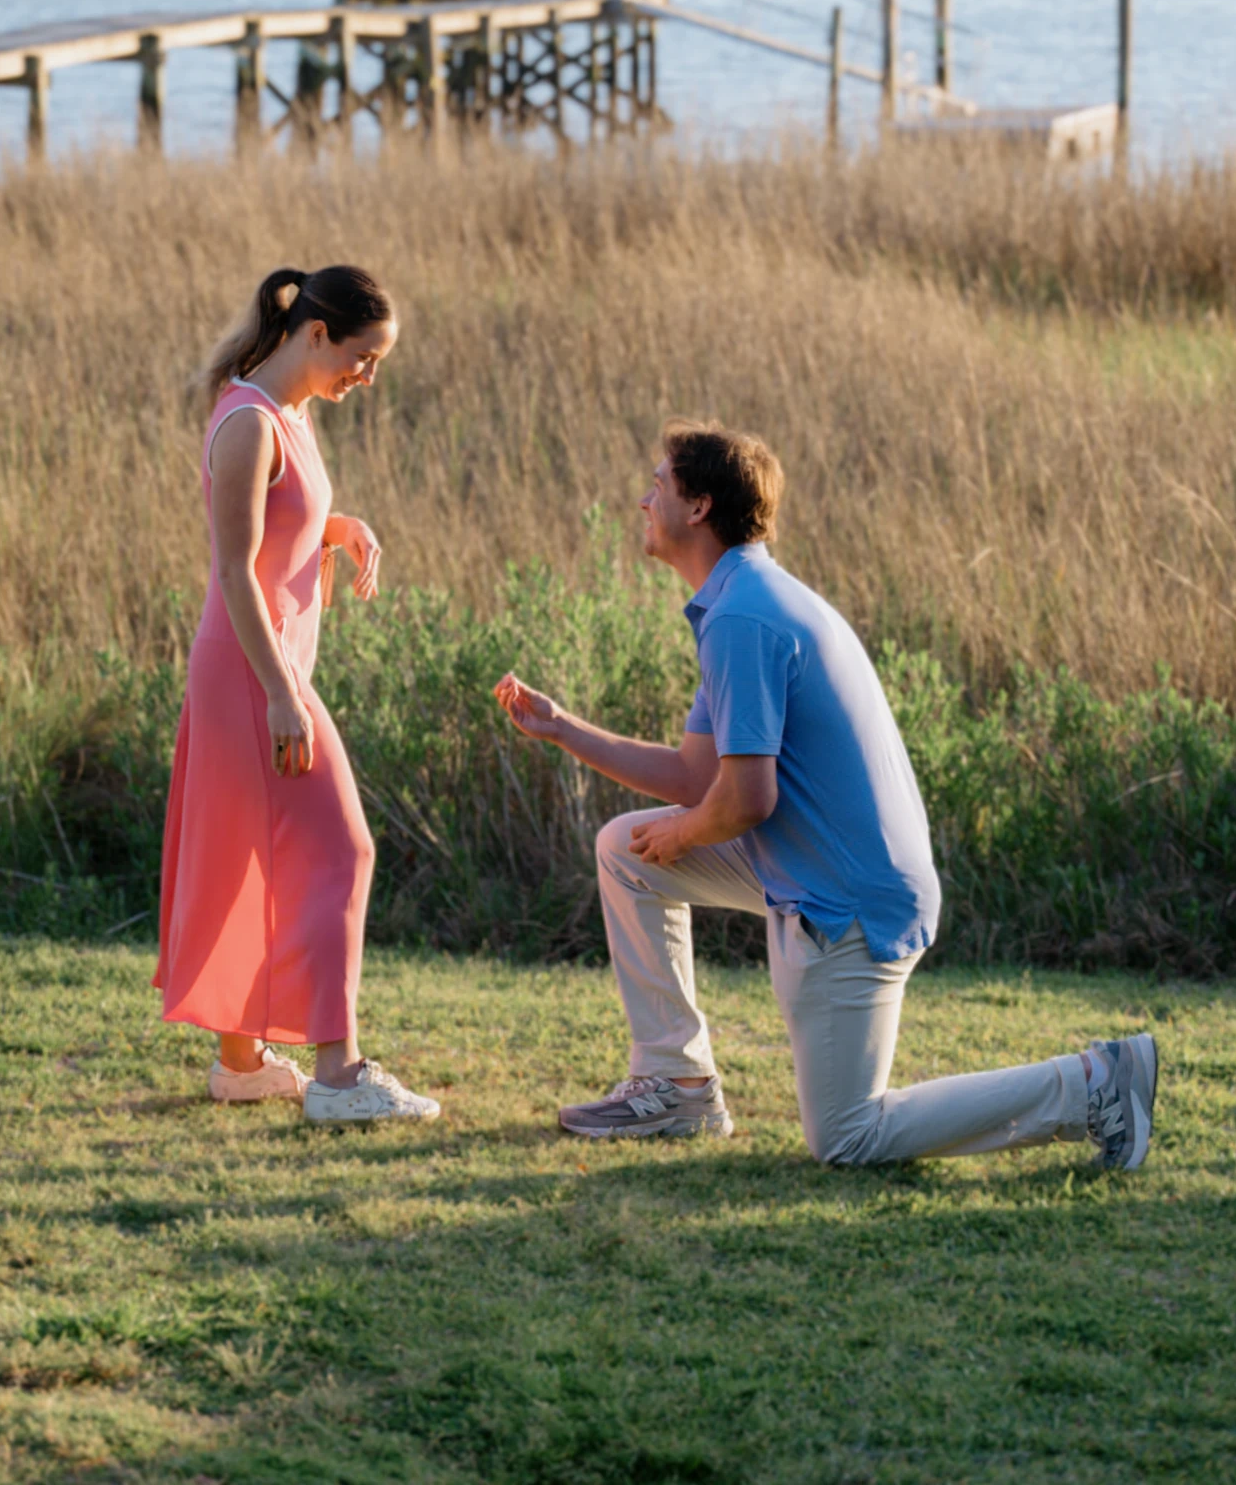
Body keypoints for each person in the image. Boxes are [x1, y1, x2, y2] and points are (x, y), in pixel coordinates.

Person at [494, 420, 1157, 1169]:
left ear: (701, 506)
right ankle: (675, 1083)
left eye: (658, 486)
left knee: (846, 1136)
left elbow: (744, 801)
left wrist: (683, 835)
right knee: (626, 848)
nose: (642, 500)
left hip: (849, 900)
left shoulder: (744, 617)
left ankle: (1097, 1084)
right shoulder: (741, 599)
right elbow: (693, 779)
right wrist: (563, 729)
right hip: (816, 871)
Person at [155, 263, 438, 1126]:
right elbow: (234, 572)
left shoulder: (287, 412)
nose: (369, 376)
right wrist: (282, 694)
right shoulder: (247, 422)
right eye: (362, 357)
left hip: (265, 671)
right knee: (344, 850)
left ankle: (241, 1063)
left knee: (250, 852)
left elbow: (279, 527)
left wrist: (334, 528)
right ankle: (340, 1077)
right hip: (254, 673)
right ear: (316, 334)